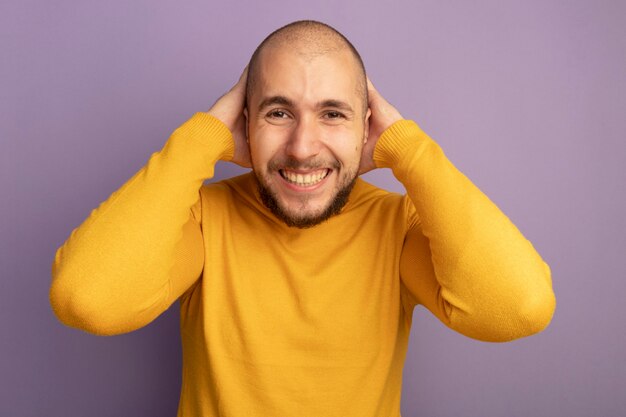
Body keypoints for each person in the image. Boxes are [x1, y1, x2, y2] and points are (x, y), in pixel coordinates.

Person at [50, 20, 556, 417]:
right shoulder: (202, 218)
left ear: (367, 129)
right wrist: (202, 138)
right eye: (277, 112)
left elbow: (520, 307)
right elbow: (87, 300)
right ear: (244, 123)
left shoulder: (396, 227)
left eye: (333, 113)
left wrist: (410, 150)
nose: (302, 147)